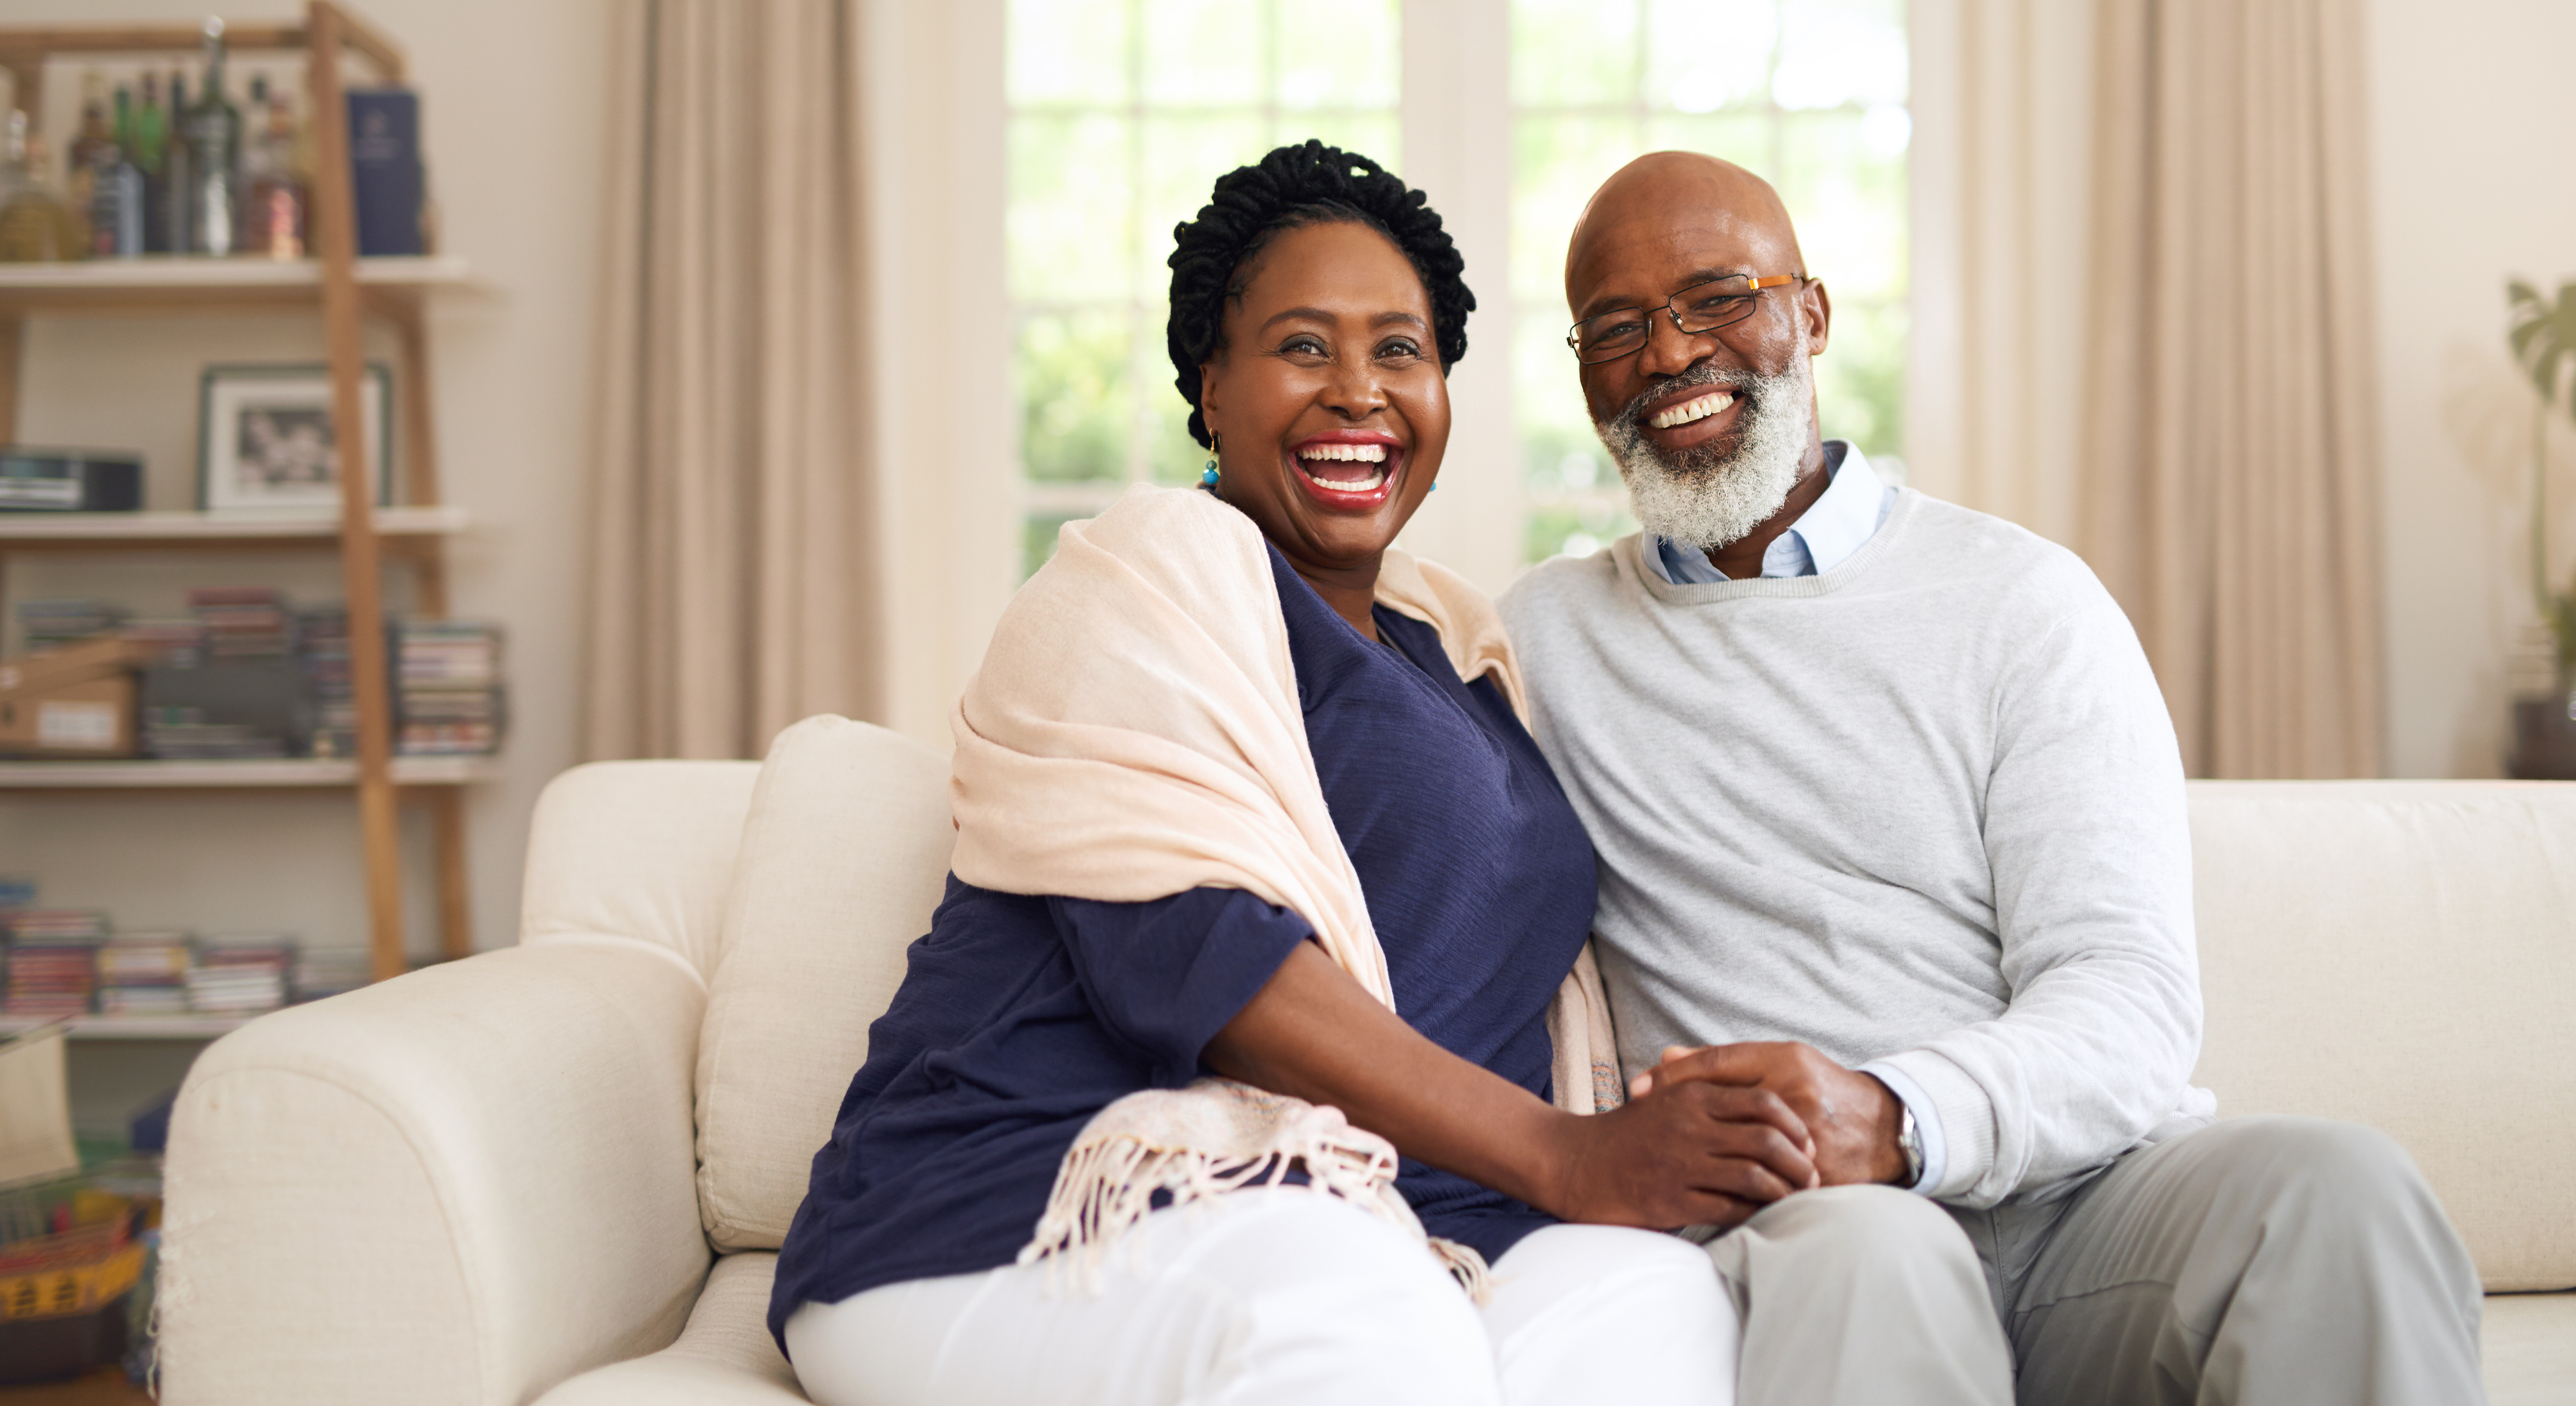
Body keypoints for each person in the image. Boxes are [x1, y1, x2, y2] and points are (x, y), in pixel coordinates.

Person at [769, 142, 1798, 1406]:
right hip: (1015, 1204)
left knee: (1656, 1300)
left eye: (1400, 351)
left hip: (1406, 1222)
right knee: (1358, 1317)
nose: (1358, 391)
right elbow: (1196, 958)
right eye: (1304, 347)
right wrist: (1568, 1155)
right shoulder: (1144, 578)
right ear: (1212, 386)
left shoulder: (1465, 654)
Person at [1497, 149, 2489, 1406]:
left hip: (2084, 1211)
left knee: (2339, 1191)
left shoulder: (2023, 602)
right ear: (1584, 378)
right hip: (1801, 1225)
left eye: (1716, 296)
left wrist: (1901, 1115)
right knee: (1873, 1251)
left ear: (1809, 313)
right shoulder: (1532, 646)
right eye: (1617, 328)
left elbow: (2124, 997)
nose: (1670, 353)